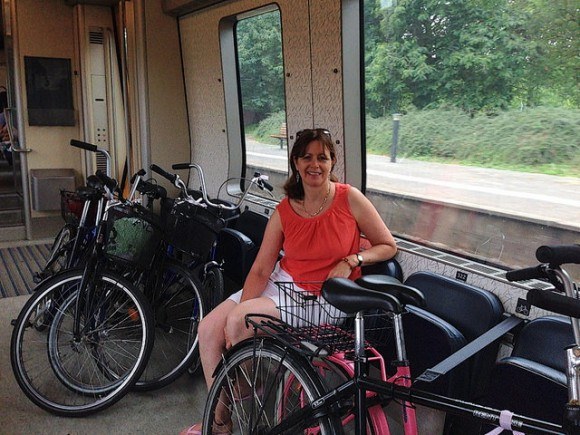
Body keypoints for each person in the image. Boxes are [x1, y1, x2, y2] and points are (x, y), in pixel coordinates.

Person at [180, 128, 397, 434]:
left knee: (238, 320)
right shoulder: (285, 210)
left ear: (332, 162)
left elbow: (387, 245)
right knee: (210, 328)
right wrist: (234, 322)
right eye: (306, 157)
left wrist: (353, 260)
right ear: (296, 162)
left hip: (326, 297)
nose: (315, 164)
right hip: (284, 284)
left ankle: (220, 417)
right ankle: (229, 404)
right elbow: (261, 269)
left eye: (322, 157)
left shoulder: (351, 199)